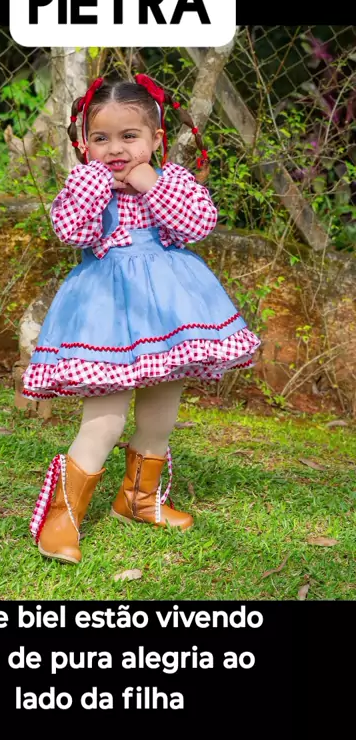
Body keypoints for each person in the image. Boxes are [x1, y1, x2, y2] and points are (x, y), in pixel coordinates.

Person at [21, 74, 261, 564]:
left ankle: (139, 499)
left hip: (169, 313)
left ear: (156, 138)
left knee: (160, 414)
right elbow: (71, 231)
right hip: (106, 316)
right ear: (84, 144)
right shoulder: (86, 185)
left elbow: (197, 225)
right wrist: (95, 185)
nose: (115, 149)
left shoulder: (171, 181)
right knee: (105, 421)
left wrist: (148, 182)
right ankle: (60, 519)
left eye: (129, 136)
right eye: (101, 138)